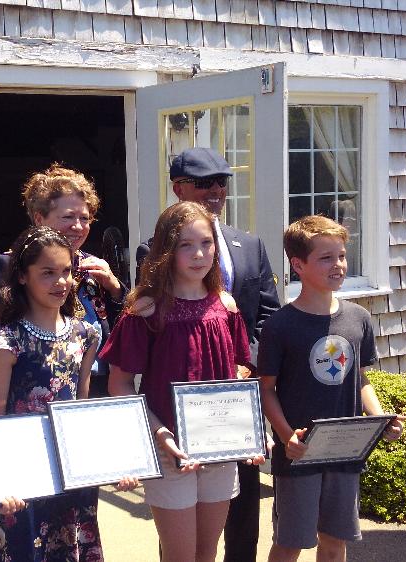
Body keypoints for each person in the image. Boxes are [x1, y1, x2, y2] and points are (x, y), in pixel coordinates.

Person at [137, 147, 280, 562]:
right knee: (184, 537)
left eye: (222, 182)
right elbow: (153, 335)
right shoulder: (157, 250)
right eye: (204, 183)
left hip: (234, 403)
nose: (216, 191)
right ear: (178, 188)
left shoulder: (249, 244)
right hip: (178, 419)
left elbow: (266, 314)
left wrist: (241, 366)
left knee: (242, 510)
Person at [101, 201, 266, 562]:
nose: (198, 254)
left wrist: (249, 427)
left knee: (207, 552)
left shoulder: (227, 306)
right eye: (185, 245)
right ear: (166, 250)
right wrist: (159, 434)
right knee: (180, 556)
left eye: (206, 243)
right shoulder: (146, 309)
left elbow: (240, 369)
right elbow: (120, 384)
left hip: (219, 450)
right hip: (170, 449)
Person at [258, 215, 405, 562]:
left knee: (336, 541)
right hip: (300, 453)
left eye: (341, 256)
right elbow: (266, 390)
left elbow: (361, 379)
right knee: (291, 541)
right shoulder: (280, 325)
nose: (338, 265)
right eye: (326, 258)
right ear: (298, 264)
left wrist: (379, 416)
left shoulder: (358, 319)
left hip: (345, 451)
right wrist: (284, 436)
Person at [0, 226, 106, 561]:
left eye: (66, 272)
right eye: (47, 273)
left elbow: (82, 407)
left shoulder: (86, 334)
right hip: (23, 475)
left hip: (70, 472)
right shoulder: (6, 341)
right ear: (22, 277)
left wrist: (109, 464)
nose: (60, 282)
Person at [0, 164, 125, 403]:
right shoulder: (9, 265)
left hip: (94, 387)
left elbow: (126, 328)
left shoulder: (96, 267)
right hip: (29, 390)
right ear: (39, 218)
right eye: (68, 217)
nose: (77, 226)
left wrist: (115, 289)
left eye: (84, 218)